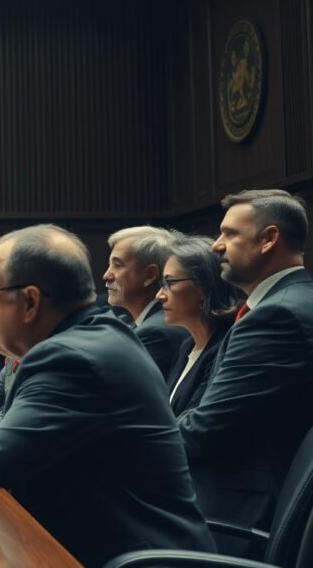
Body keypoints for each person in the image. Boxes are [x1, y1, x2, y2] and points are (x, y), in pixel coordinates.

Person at [0, 224, 214, 567]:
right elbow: (28, 436)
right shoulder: (93, 336)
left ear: (30, 301)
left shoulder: (70, 357)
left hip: (133, 557)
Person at [178, 189, 313, 555]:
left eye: (229, 234)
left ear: (269, 238)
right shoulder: (287, 302)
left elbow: (208, 429)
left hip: (237, 516)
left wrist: (132, 443)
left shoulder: (277, 315)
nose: (216, 246)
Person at [155, 235, 242, 416]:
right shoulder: (186, 345)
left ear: (204, 286)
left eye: (169, 283)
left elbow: (200, 421)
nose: (159, 295)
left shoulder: (225, 346)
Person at [104, 226, 191, 380]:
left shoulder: (155, 333)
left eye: (117, 265)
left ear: (150, 275)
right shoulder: (141, 324)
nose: (106, 275)